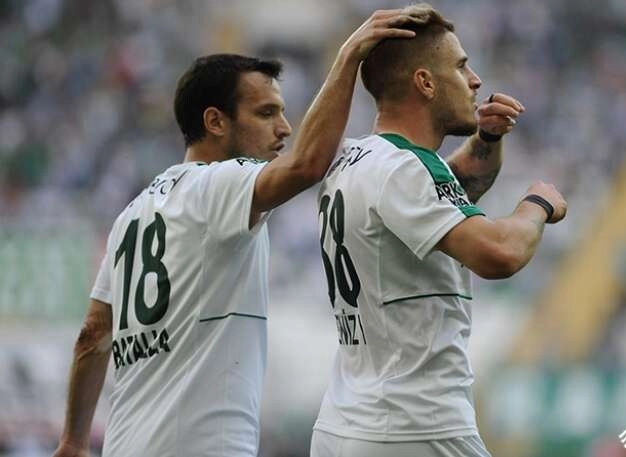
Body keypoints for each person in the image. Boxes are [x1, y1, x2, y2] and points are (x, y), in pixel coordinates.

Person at [52, 8, 429, 457]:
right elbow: (307, 165)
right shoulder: (218, 185)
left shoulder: (130, 216)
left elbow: (93, 334)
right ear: (215, 122)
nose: (284, 128)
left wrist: (73, 442)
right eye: (267, 113)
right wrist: (348, 57)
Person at [310, 4, 567, 457]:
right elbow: (500, 253)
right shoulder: (404, 169)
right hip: (415, 422)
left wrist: (487, 139)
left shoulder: (356, 159)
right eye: (461, 66)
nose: (475, 80)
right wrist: (538, 204)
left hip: (344, 423)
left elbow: (448, 191)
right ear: (425, 82)